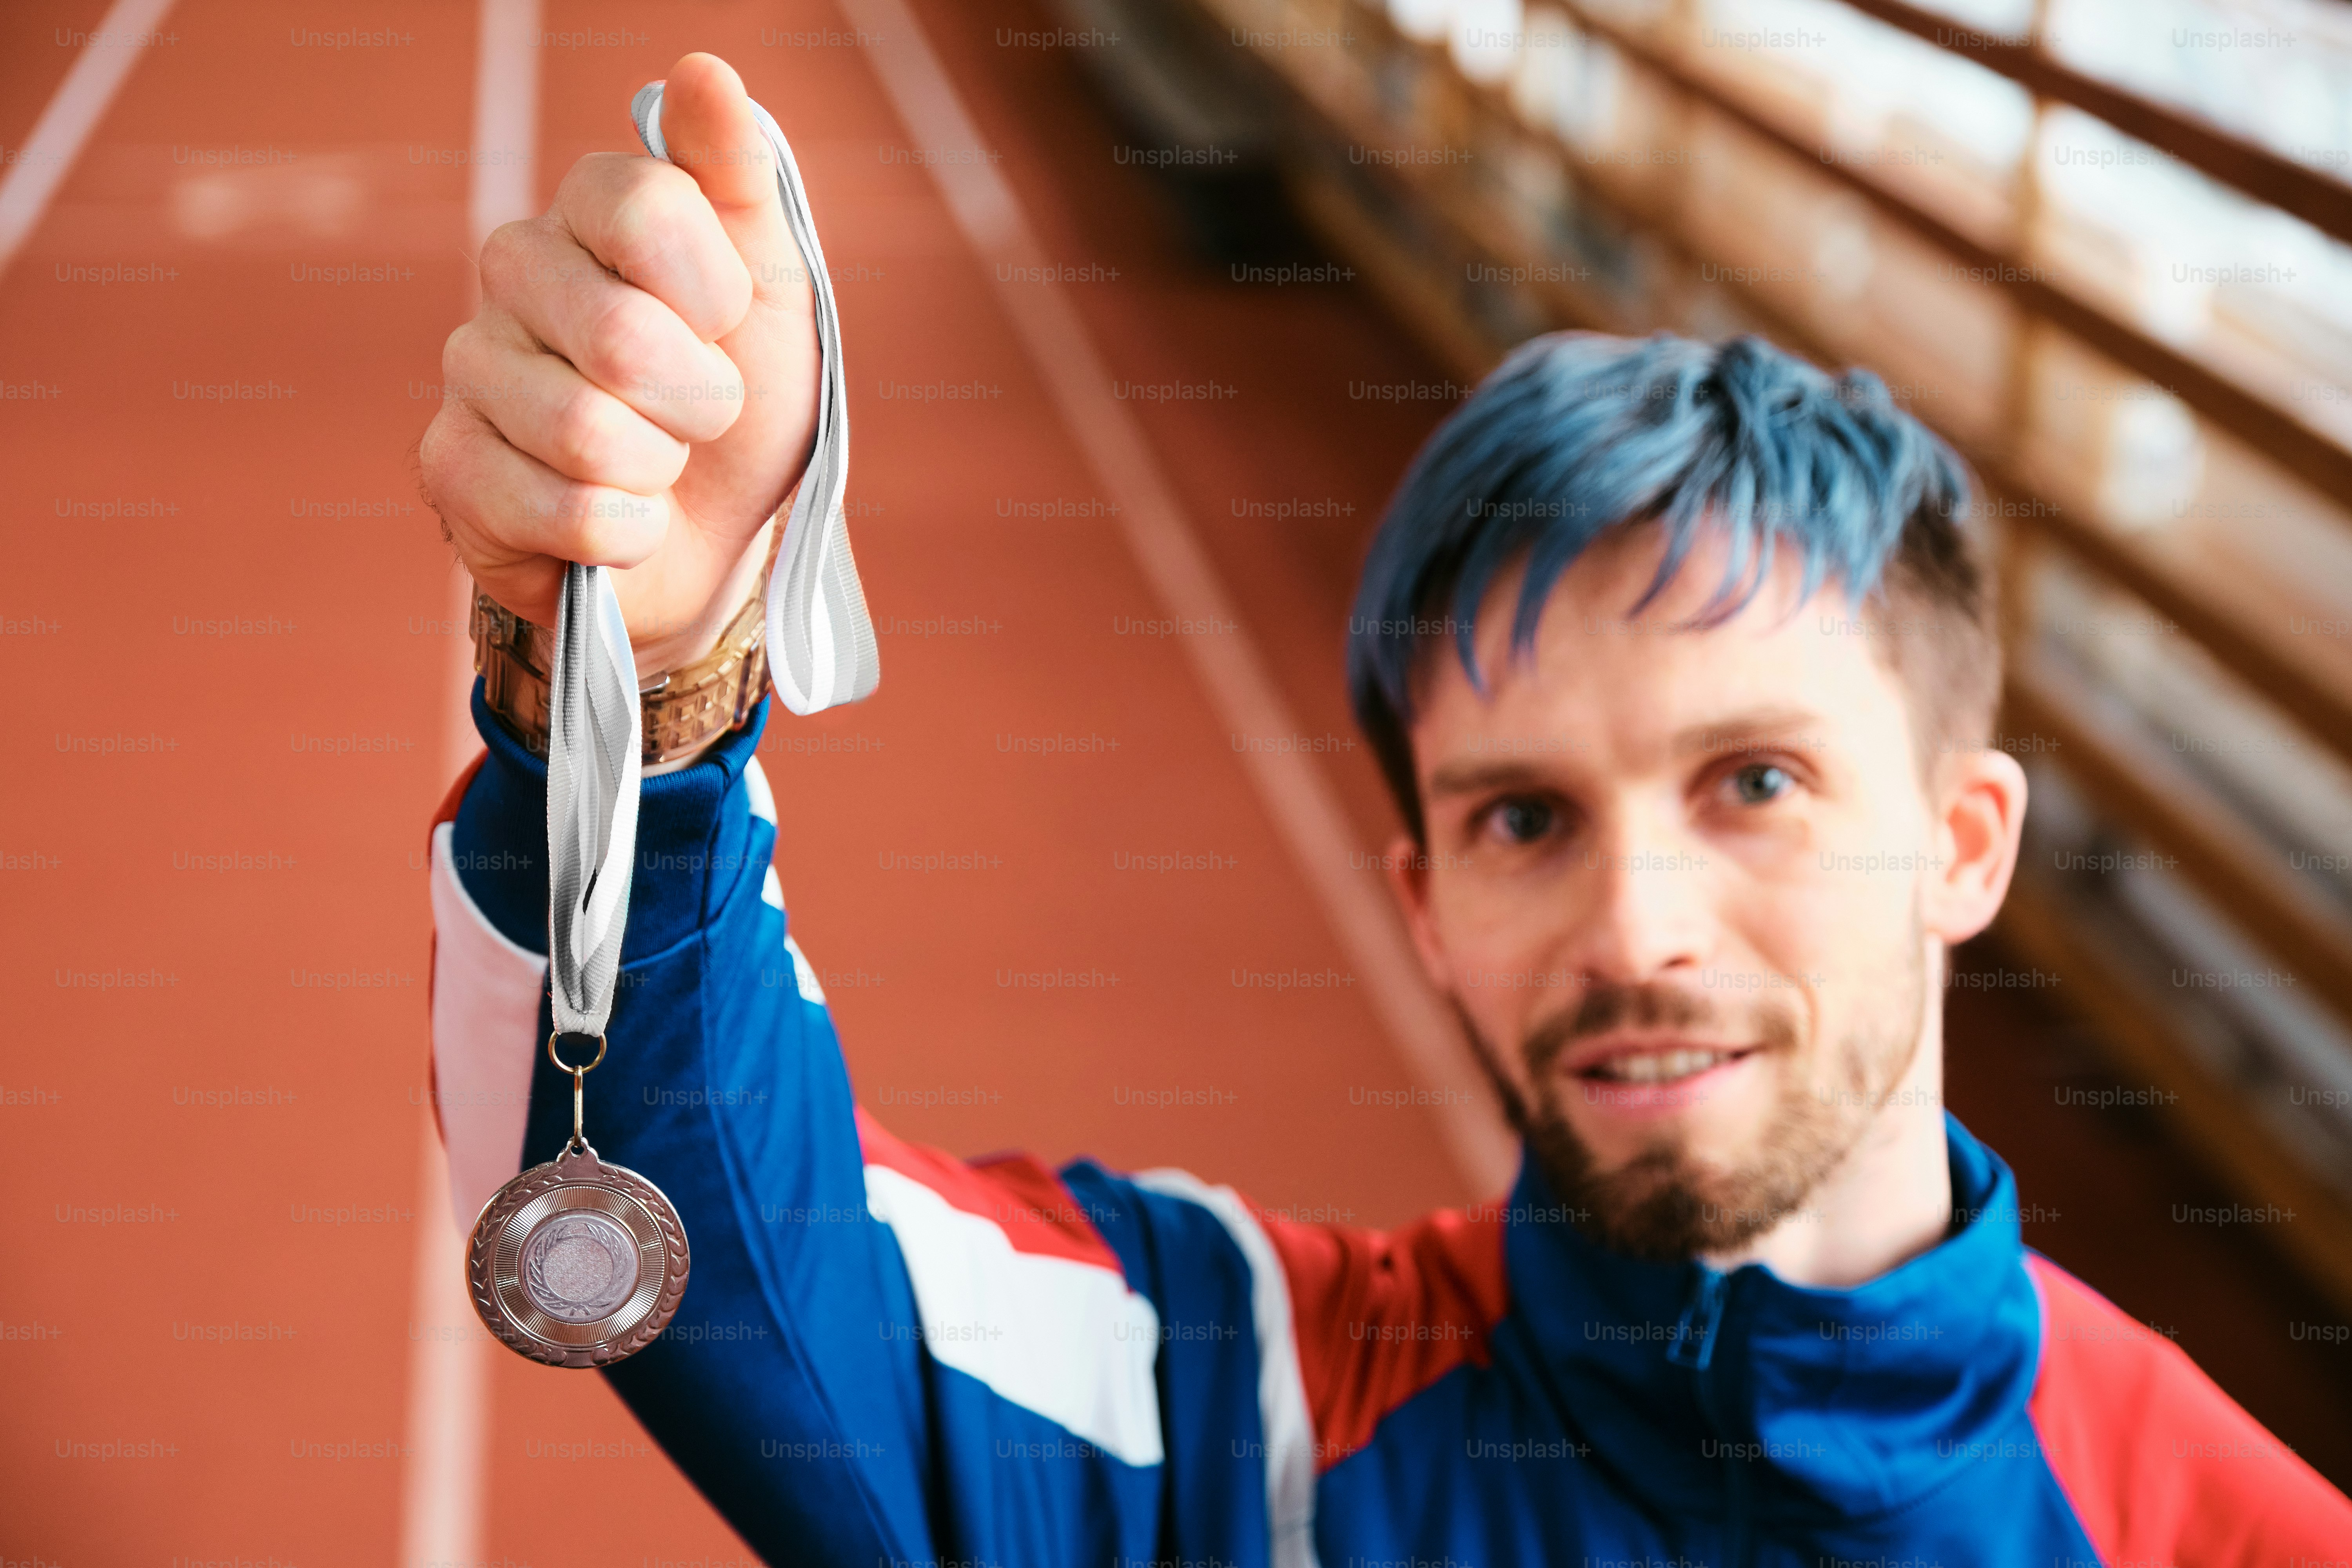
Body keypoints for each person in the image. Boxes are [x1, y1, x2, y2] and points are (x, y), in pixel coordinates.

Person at [417, 51, 2352, 1568]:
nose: (1636, 925)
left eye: (1754, 782)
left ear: (1962, 842)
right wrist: (642, 688)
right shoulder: (1234, 1409)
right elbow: (678, 1221)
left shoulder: (2227, 1529)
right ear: (1424, 904)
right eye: (1525, 820)